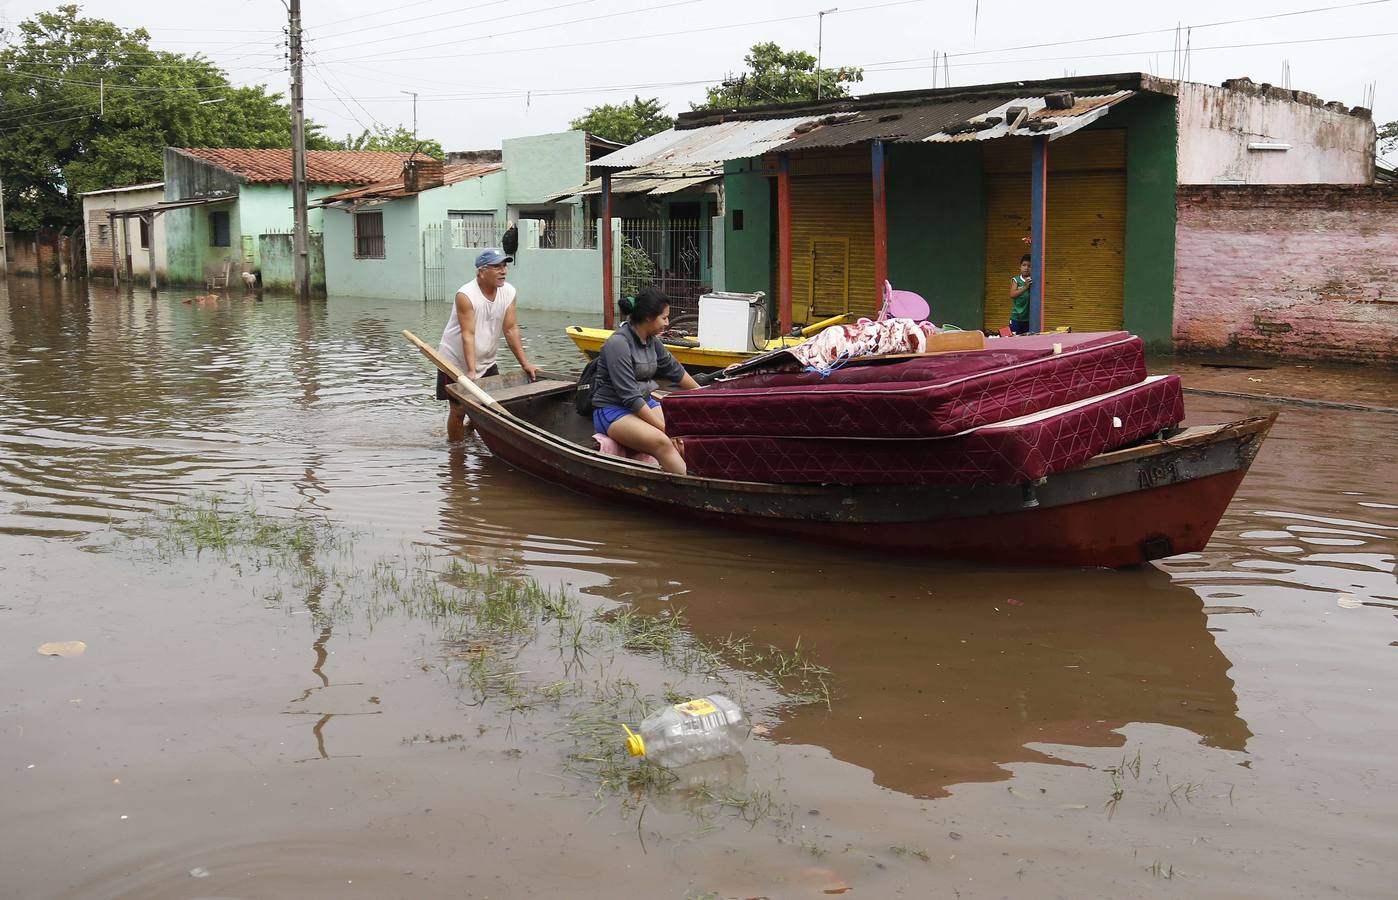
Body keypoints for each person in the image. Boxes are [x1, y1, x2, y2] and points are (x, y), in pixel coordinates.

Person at [590, 287, 699, 474]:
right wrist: (666, 431)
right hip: (612, 410)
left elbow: (676, 371)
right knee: (663, 442)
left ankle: (698, 474)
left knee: (685, 435)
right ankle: (694, 491)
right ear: (649, 317)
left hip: (645, 402)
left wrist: (704, 395)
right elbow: (631, 397)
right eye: (664, 318)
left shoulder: (652, 341)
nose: (667, 323)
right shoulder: (618, 344)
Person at [437, 248, 538, 442]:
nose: (503, 271)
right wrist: (471, 372)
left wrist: (526, 364)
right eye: (497, 267)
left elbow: (510, 329)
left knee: (489, 406)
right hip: (454, 361)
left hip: (487, 360)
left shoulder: (509, 292)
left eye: (505, 266)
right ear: (481, 272)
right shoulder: (465, 295)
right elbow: (468, 334)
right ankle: (456, 452)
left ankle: (470, 431)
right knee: (458, 410)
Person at [1009, 253, 1033, 335]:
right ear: (1020, 267)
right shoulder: (1016, 280)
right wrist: (1025, 287)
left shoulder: (1033, 280)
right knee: (1015, 341)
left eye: (1029, 266)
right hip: (1016, 318)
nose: (1026, 268)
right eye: (1024, 265)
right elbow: (1012, 294)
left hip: (1029, 320)